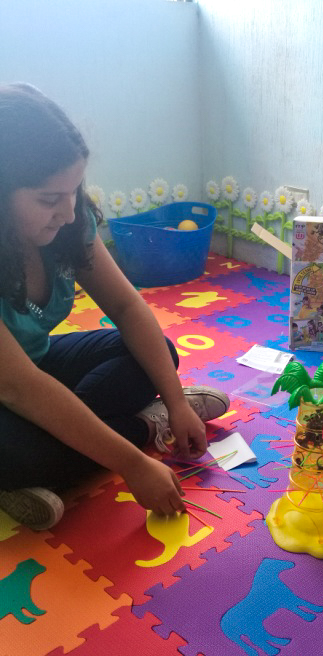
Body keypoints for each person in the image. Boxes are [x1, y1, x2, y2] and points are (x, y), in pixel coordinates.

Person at [0, 83, 229, 530]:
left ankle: (53, 464)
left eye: (74, 191)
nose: (67, 213)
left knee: (155, 353)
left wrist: (178, 401)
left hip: (35, 369)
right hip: (14, 384)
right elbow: (17, 388)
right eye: (49, 199)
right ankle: (145, 427)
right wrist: (135, 462)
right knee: (18, 451)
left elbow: (126, 307)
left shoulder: (69, 224)